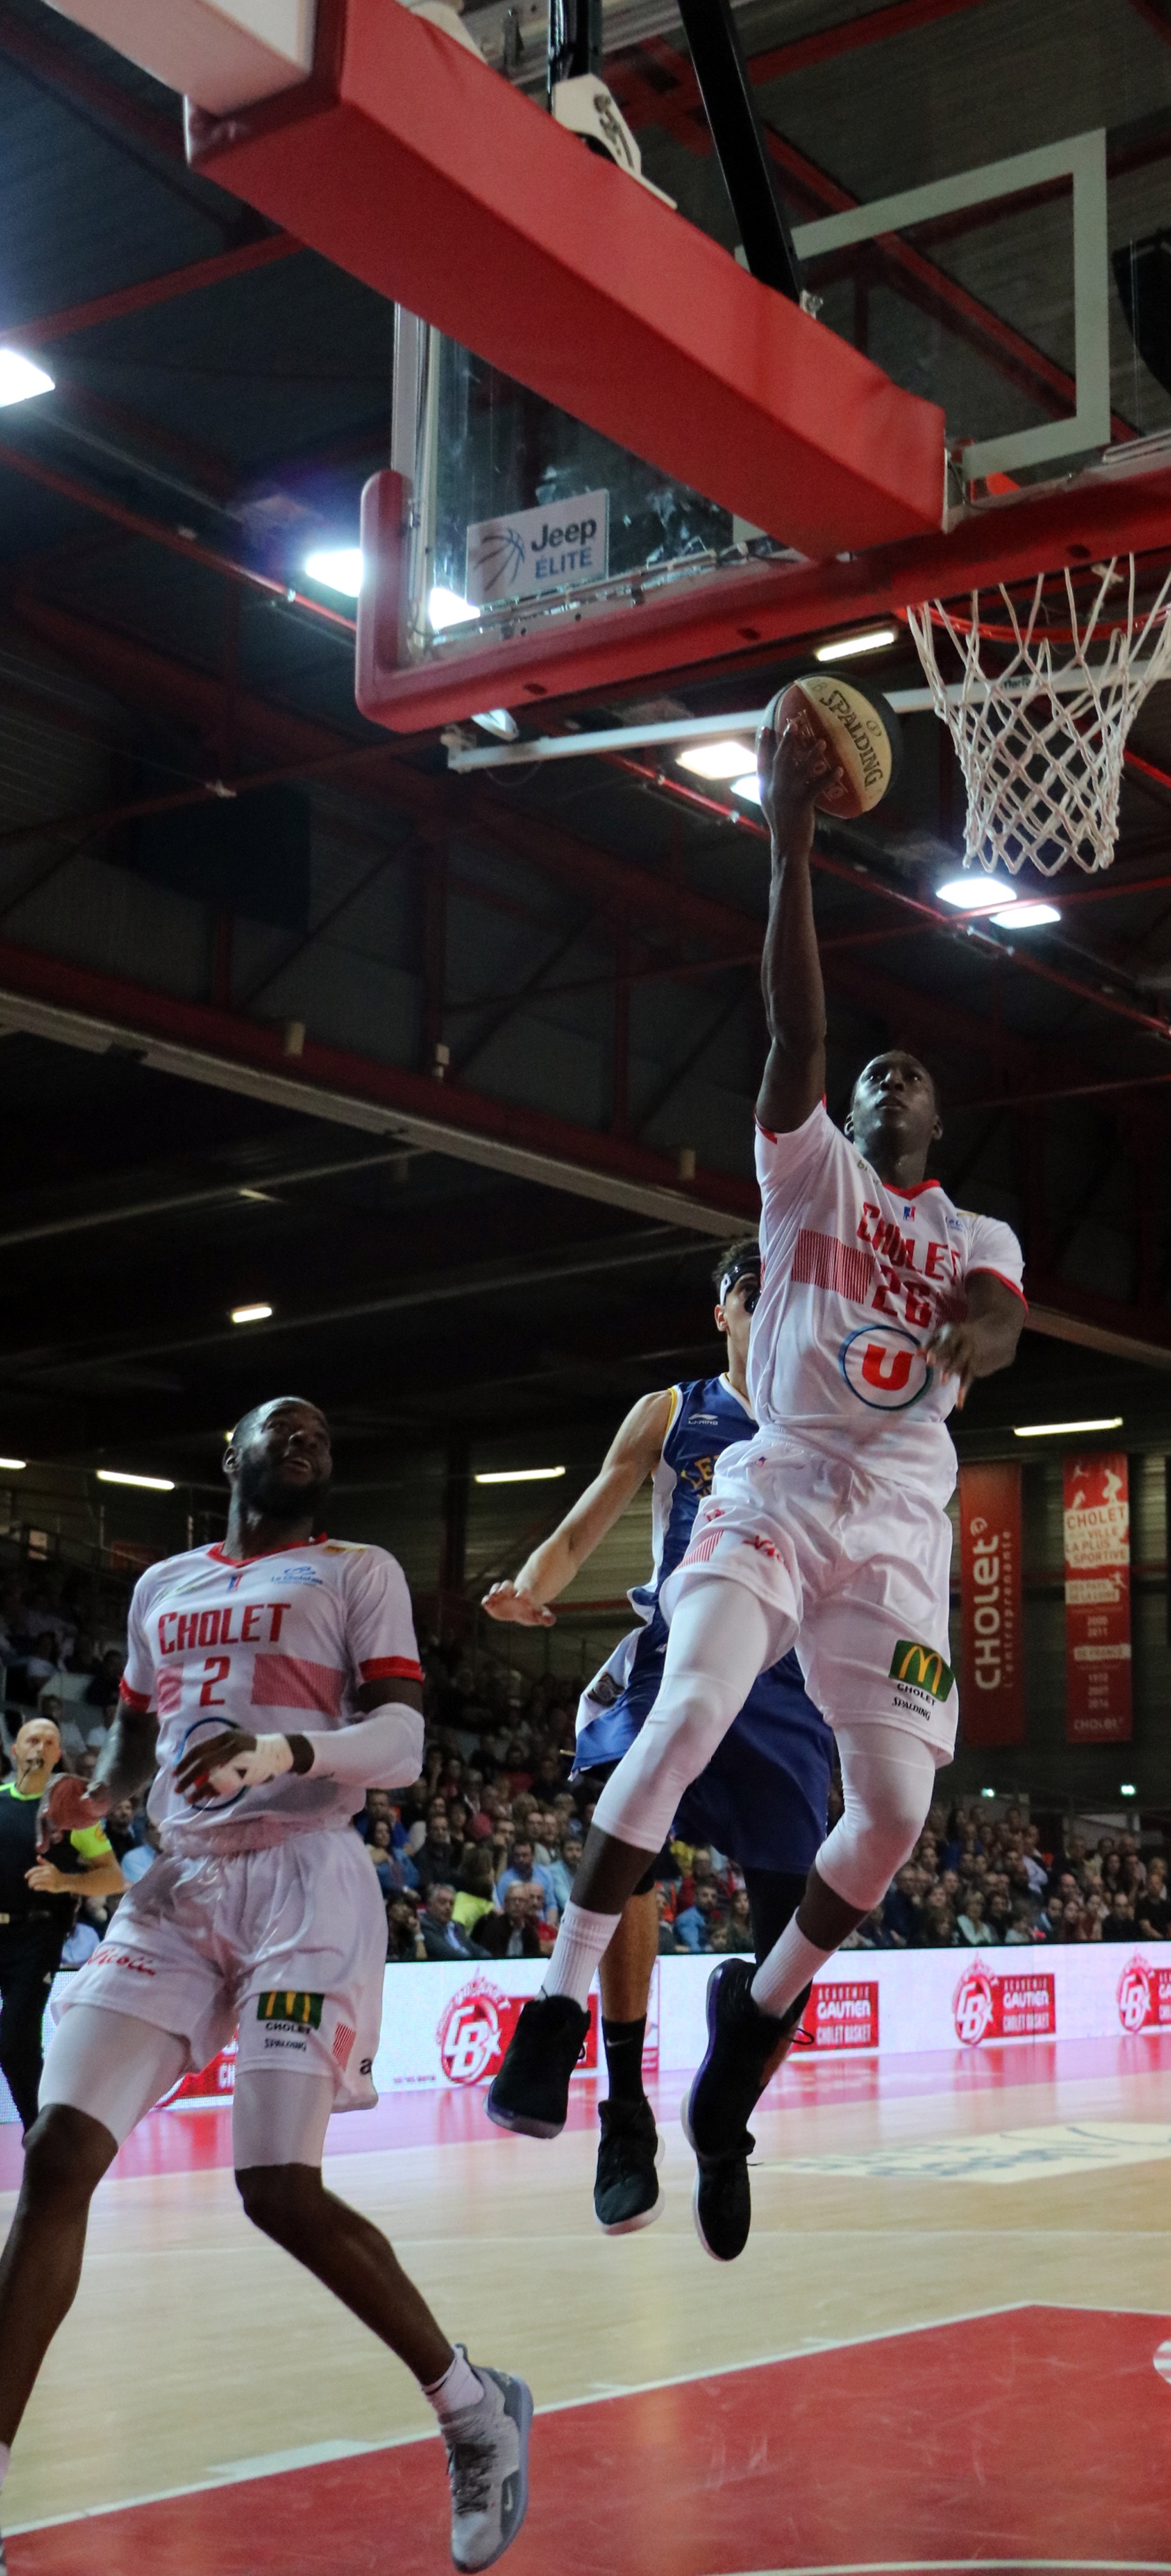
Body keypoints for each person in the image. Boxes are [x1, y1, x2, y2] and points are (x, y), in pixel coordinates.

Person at [486, 705, 1025, 2258]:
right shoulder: (805, 1169)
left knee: (894, 1818)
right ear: (846, 1114)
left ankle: (749, 2035)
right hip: (778, 1488)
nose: (885, 1074)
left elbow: (994, 1318)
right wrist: (788, 838)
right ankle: (554, 2024)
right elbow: (795, 1030)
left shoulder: (975, 1232)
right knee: (678, 1713)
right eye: (869, 1070)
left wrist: (975, 1325)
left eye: (912, 1074)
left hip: (899, 1529)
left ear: (942, 1123)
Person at [0, 1399, 531, 2572]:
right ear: (226, 1455)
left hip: (305, 1882)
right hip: (179, 1887)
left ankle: (476, 2411)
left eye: (324, 1438)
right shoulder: (164, 1586)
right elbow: (141, 1742)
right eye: (283, 1430)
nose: (308, 1443)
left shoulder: (358, 1571)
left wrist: (285, 1751)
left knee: (277, 2187)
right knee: (55, 2155)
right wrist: (94, 1792)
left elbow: (400, 1744)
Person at [479, 1236, 834, 2242]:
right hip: (684, 1649)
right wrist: (533, 1587)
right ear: (722, 1310)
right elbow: (587, 1522)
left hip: (790, 1689)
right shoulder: (675, 1412)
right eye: (755, 1290)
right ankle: (623, 2111)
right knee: (623, 1835)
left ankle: (724, 2129)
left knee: (791, 1950)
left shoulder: (833, 1420)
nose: (776, 1307)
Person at [0, 1719, 121, 2127]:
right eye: (32, 1740)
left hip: (36, 1937)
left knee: (16, 2042)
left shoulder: (74, 1813)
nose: (41, 1747)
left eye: (50, 1742)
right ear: (15, 1751)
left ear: (57, 1756)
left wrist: (65, 1881)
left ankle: (40, 2137)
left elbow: (113, 1877)